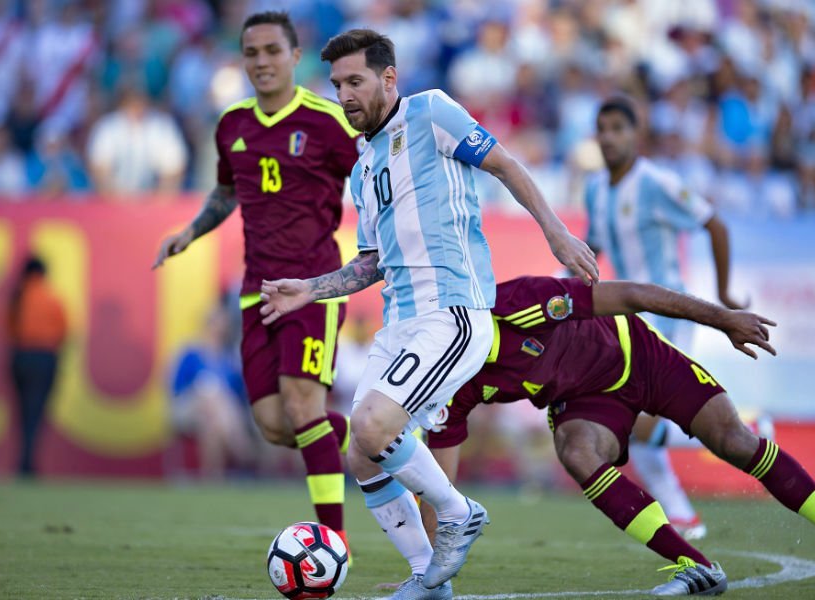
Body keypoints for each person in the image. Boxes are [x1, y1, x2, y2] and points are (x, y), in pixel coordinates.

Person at [259, 28, 599, 599]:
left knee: (373, 424)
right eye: (337, 83)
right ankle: (429, 579)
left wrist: (557, 232)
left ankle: (459, 511)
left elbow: (505, 164)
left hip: (453, 310)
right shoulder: (363, 167)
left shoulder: (431, 112)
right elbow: (372, 263)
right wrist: (311, 290)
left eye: (355, 82)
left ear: (388, 79)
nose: (344, 95)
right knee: (362, 454)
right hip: (400, 322)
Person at [416, 275, 815, 595]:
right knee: (577, 452)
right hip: (585, 400)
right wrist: (433, 578)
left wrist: (724, 318)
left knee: (734, 441)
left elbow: (632, 295)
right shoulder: (455, 384)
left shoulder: (518, 303)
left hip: (638, 354)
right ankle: (695, 565)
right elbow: (441, 487)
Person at [153, 11, 355, 548]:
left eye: (272, 51)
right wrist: (191, 231)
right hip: (255, 289)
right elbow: (225, 194)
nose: (261, 62)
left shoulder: (328, 121)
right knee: (272, 425)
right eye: (251, 53)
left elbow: (377, 173)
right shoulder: (232, 125)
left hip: (314, 283)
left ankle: (334, 544)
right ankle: (377, 441)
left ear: (295, 56)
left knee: (301, 404)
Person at [584, 96, 747, 539]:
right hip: (628, 320)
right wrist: (564, 289)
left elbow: (714, 223)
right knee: (634, 423)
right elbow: (591, 247)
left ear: (636, 135)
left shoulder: (657, 183)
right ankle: (684, 518)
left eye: (619, 127)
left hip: (668, 316)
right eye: (603, 128)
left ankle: (747, 428)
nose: (609, 137)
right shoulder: (595, 188)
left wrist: (725, 293)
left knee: (638, 422)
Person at [168, 301, 255, 480]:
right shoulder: (190, 353)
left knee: (212, 423)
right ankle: (242, 452)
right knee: (209, 392)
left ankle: (213, 478)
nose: (218, 328)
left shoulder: (229, 358)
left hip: (219, 415)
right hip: (189, 407)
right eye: (215, 323)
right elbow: (176, 388)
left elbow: (239, 395)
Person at [6, 255, 67, 478]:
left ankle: (24, 461)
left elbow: (11, 329)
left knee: (23, 412)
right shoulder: (51, 298)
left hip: (20, 357)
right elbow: (63, 331)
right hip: (44, 358)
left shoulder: (17, 297)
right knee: (36, 412)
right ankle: (28, 464)